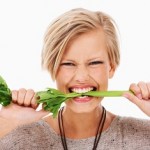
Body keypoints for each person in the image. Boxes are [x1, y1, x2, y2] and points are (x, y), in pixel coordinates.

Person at [0, 8, 150, 150]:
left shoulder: (143, 136)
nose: (81, 77)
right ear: (52, 69)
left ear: (111, 67)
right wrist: (5, 123)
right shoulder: (17, 139)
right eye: (68, 64)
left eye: (94, 63)